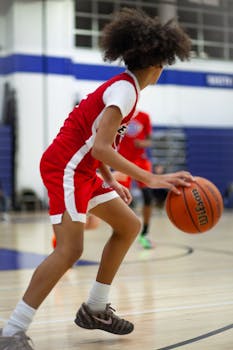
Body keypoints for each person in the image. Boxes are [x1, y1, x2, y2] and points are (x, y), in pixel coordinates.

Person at [0, 7, 193, 349]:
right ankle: (13, 330)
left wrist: (111, 179)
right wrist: (150, 178)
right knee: (70, 249)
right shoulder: (125, 92)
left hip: (84, 168)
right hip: (66, 168)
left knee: (129, 225)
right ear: (157, 65)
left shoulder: (124, 88)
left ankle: (95, 308)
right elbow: (102, 147)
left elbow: (97, 143)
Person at [113, 110, 155, 249]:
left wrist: (143, 144)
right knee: (122, 200)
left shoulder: (144, 117)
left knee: (148, 197)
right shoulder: (120, 116)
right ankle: (121, 232)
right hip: (123, 161)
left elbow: (150, 141)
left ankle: (145, 233)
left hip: (141, 161)